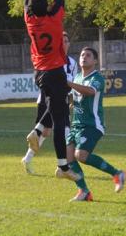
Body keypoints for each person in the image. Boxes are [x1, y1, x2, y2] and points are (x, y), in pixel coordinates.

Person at [18, 0, 80, 181]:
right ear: (48, 7)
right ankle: (63, 167)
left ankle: (38, 133)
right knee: (61, 119)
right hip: (55, 73)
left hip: (40, 73)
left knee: (55, 116)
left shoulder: (30, 20)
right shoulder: (54, 19)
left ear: (31, 9)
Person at [65, 47, 126, 202]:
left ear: (95, 61)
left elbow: (90, 91)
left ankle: (117, 173)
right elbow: (75, 100)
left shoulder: (97, 78)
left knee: (81, 156)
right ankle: (84, 191)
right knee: (68, 158)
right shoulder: (78, 77)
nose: (84, 57)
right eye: (81, 55)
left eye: (88, 55)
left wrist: (68, 83)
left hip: (92, 125)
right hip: (76, 125)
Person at [22, 31, 78, 174]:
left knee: (64, 130)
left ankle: (63, 163)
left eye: (66, 41)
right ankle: (61, 165)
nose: (64, 43)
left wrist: (71, 98)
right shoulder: (52, 60)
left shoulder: (72, 63)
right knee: (46, 132)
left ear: (69, 44)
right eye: (62, 41)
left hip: (63, 100)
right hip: (46, 100)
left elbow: (73, 83)